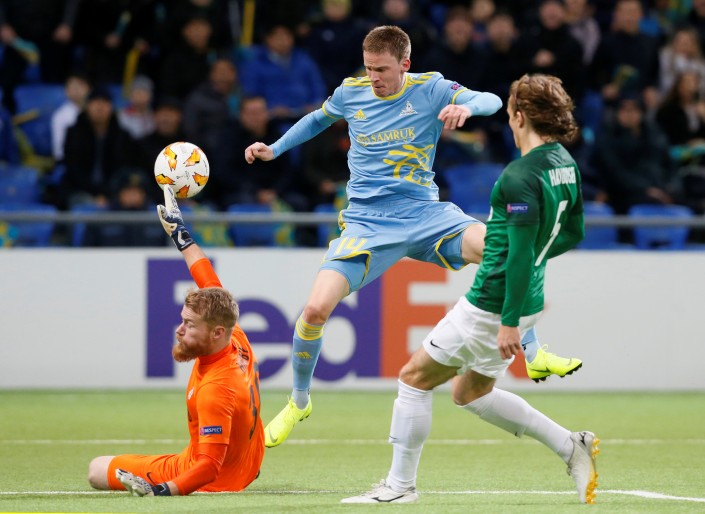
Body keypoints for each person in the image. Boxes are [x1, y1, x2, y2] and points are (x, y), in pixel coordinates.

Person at [244, 25, 581, 448]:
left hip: (425, 214)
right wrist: (275, 148)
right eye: (369, 69)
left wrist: (465, 108)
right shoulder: (351, 92)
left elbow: (492, 100)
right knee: (313, 310)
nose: (374, 78)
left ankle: (532, 354)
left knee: (506, 248)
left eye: (382, 70)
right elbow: (317, 119)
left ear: (405, 64)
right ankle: (299, 402)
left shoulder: (432, 88)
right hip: (367, 223)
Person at [341, 73, 599, 505]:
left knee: (414, 379)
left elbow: (519, 254)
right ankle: (571, 446)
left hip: (493, 303)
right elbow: (574, 232)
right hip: (528, 297)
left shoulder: (518, 176)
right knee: (470, 392)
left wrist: (508, 322)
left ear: (519, 116)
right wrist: (531, 266)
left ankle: (399, 487)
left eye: (511, 110)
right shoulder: (563, 164)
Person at [87, 185, 265, 496]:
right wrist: (180, 235)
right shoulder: (233, 334)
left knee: (97, 468)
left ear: (216, 333)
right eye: (183, 320)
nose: (179, 330)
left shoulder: (216, 389)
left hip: (216, 478)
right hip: (247, 463)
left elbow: (208, 467)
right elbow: (206, 276)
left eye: (189, 325)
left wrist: (164, 490)